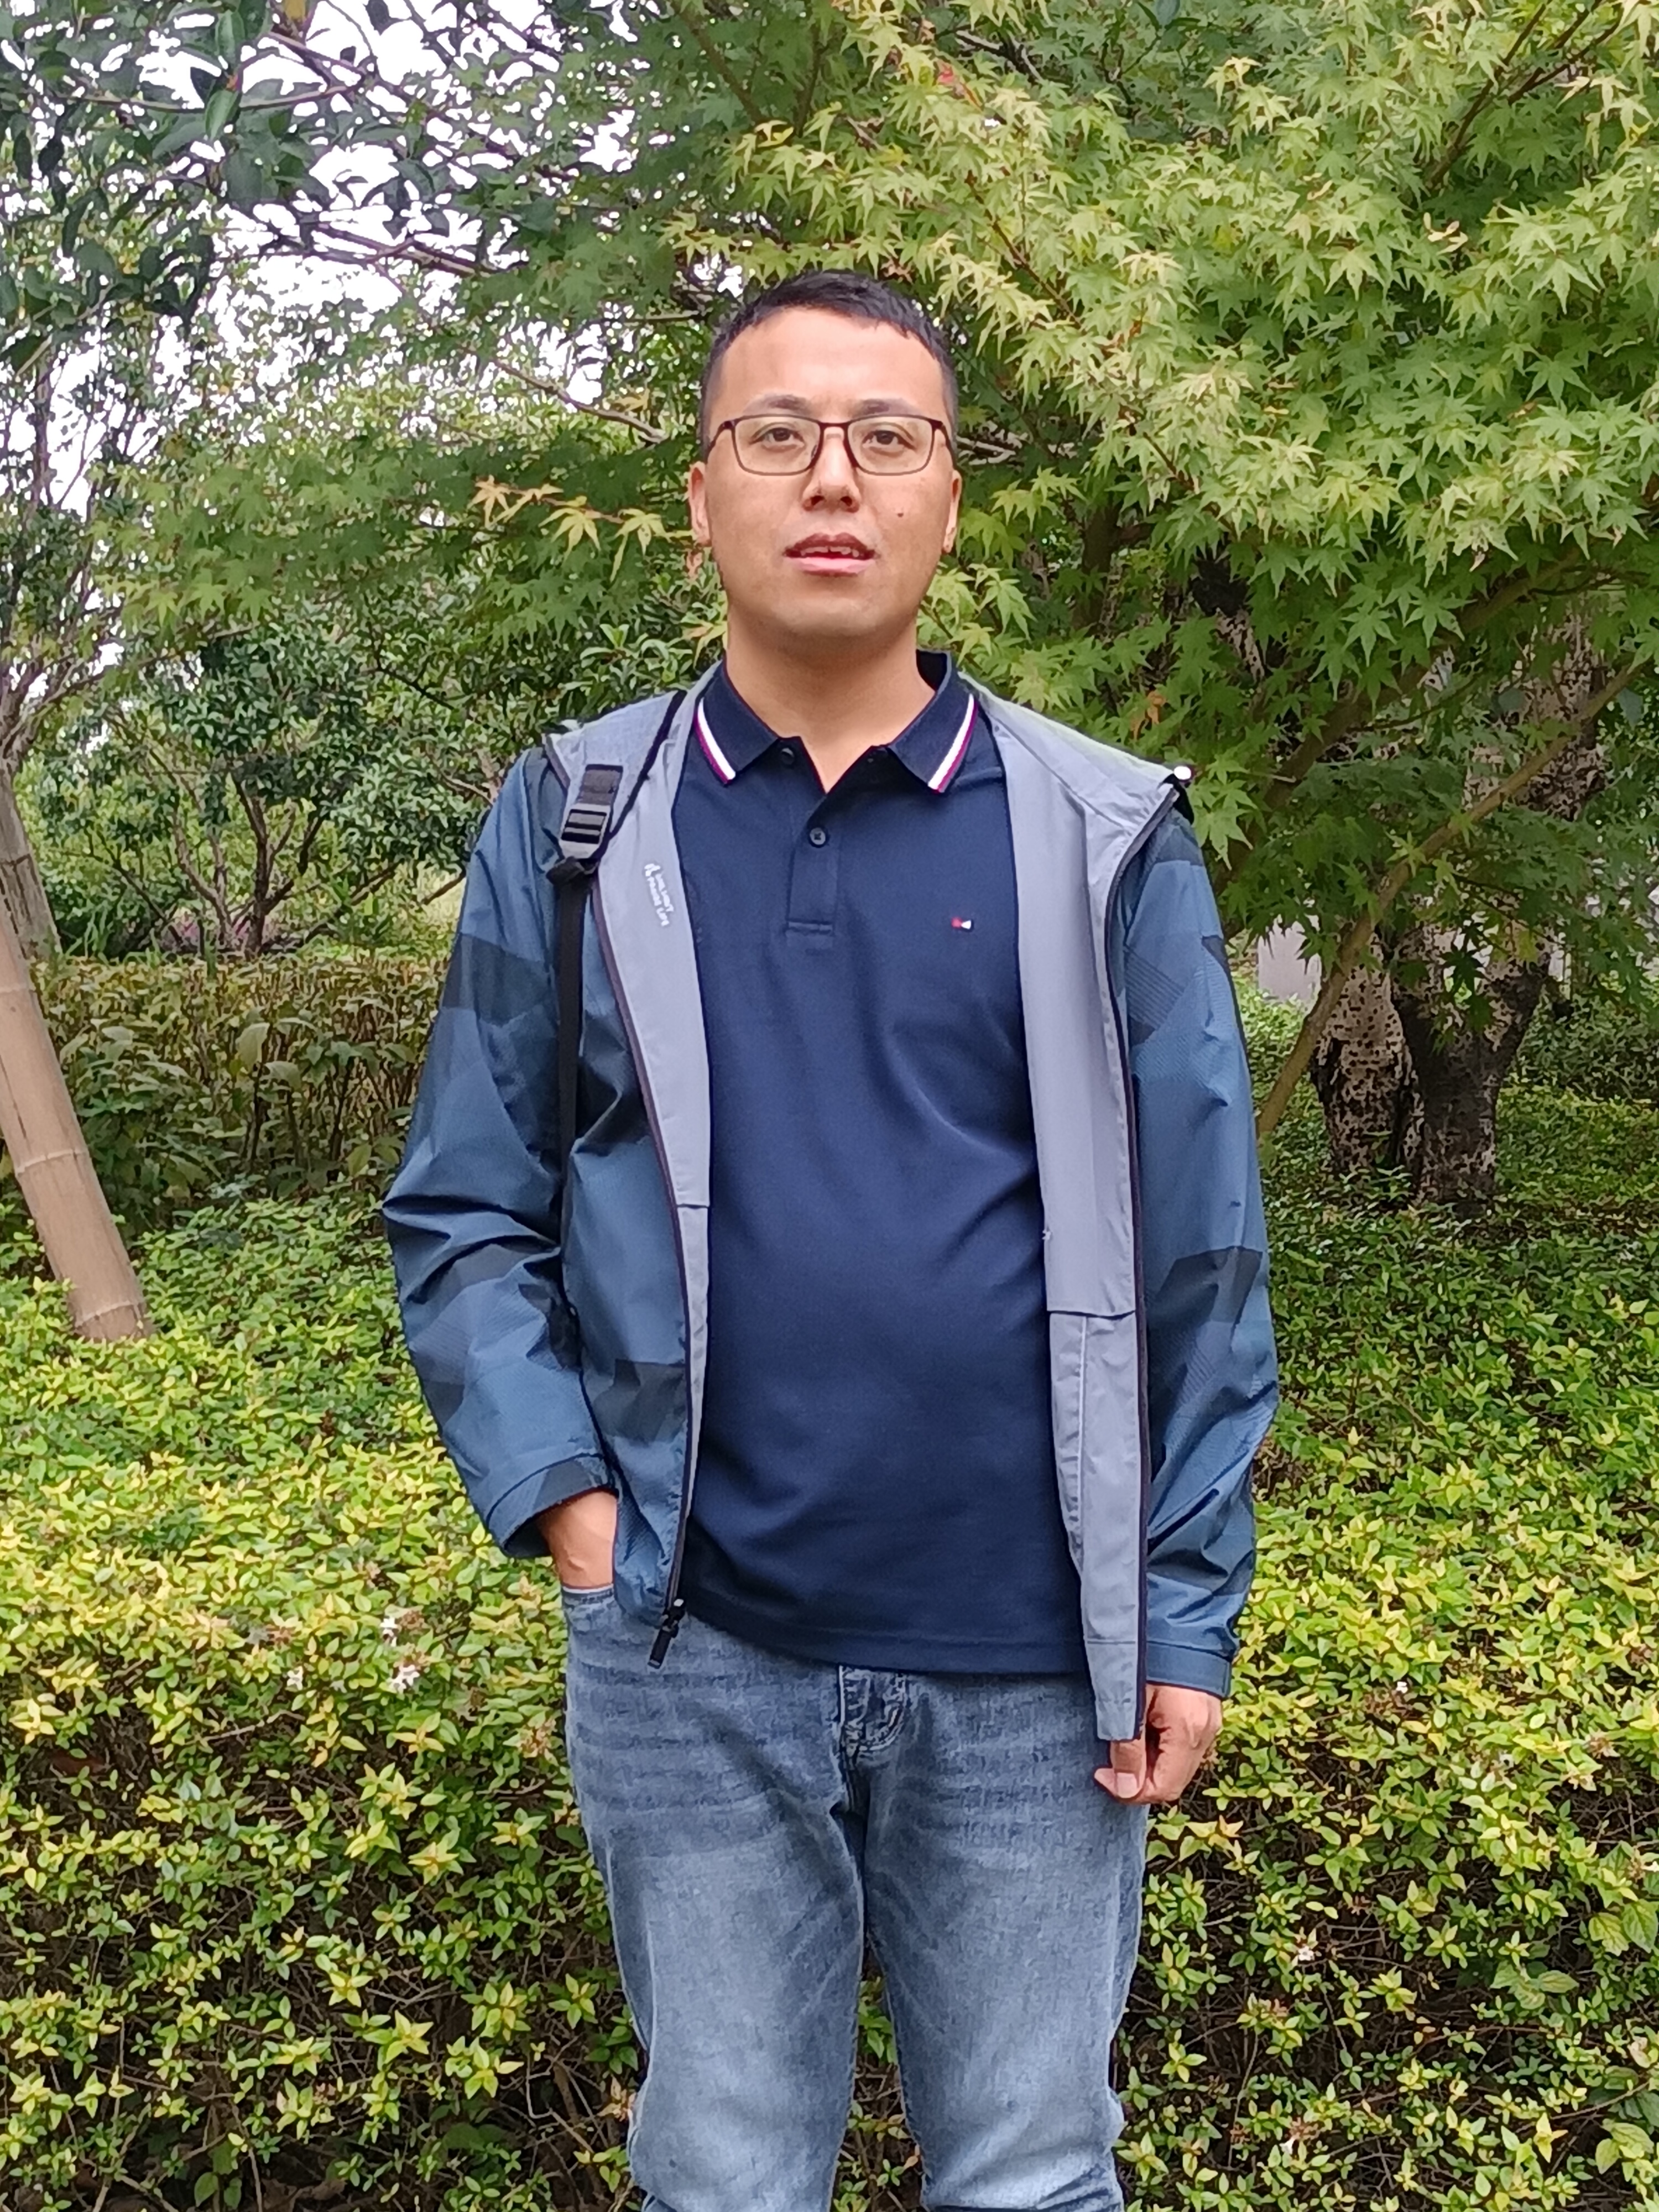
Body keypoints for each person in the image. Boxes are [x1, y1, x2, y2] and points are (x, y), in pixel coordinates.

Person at [385, 269, 1277, 2212]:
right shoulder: (578, 819)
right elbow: (465, 1207)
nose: (834, 478)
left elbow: (1202, 1255)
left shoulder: (1105, 832)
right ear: (702, 492)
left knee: (1034, 2173)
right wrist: (572, 1511)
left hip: (1037, 1666)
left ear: (949, 498)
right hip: (691, 1646)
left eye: (889, 437)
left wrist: (1182, 1609)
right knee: (722, 2174)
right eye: (777, 433)